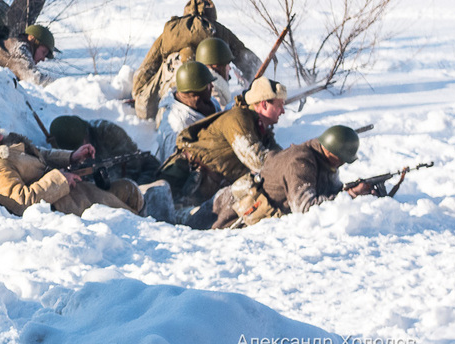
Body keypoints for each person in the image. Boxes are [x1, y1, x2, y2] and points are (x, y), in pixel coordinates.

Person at [0, 106, 141, 217]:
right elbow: (21, 201)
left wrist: (71, 156)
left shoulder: (1, 146)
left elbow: (39, 155)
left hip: (75, 192)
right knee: (129, 215)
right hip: (69, 205)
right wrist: (60, 180)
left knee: (128, 190)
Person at [208, 125, 375, 229]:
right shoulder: (301, 161)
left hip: (237, 208)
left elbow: (330, 191)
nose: (342, 164)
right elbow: (305, 207)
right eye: (341, 159)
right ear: (332, 152)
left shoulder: (324, 159)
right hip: (227, 210)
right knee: (185, 224)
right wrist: (350, 196)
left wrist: (352, 192)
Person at [165, 77, 287, 214]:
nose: (282, 111)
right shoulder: (238, 118)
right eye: (280, 105)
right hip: (179, 189)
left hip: (202, 194)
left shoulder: (261, 129)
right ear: (264, 104)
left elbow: (281, 159)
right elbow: (257, 161)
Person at [130, 0, 258, 121]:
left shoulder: (171, 33)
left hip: (170, 88)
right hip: (205, 88)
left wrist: (138, 92)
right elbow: (245, 57)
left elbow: (148, 66)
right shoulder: (219, 31)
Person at [155, 61, 219, 162]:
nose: (212, 87)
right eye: (208, 85)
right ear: (197, 90)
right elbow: (173, 166)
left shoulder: (207, 103)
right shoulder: (177, 126)